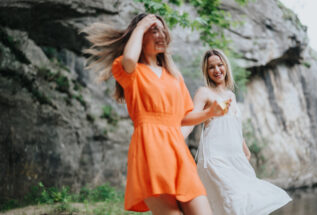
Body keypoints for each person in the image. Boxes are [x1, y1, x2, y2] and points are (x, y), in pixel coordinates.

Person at [82, 14, 228, 215]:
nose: (161, 35)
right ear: (139, 34)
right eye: (154, 30)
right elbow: (130, 58)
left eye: (163, 30)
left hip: (177, 150)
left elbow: (183, 118)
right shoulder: (130, 70)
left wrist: (209, 112)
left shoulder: (174, 76)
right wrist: (142, 25)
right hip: (149, 150)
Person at [182, 49, 292, 215]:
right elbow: (190, 119)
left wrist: (245, 149)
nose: (217, 70)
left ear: (226, 66)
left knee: (243, 202)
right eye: (211, 67)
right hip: (215, 158)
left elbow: (234, 126)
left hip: (236, 158)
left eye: (220, 65)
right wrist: (176, 138)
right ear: (206, 71)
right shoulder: (204, 92)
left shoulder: (231, 96)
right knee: (234, 202)